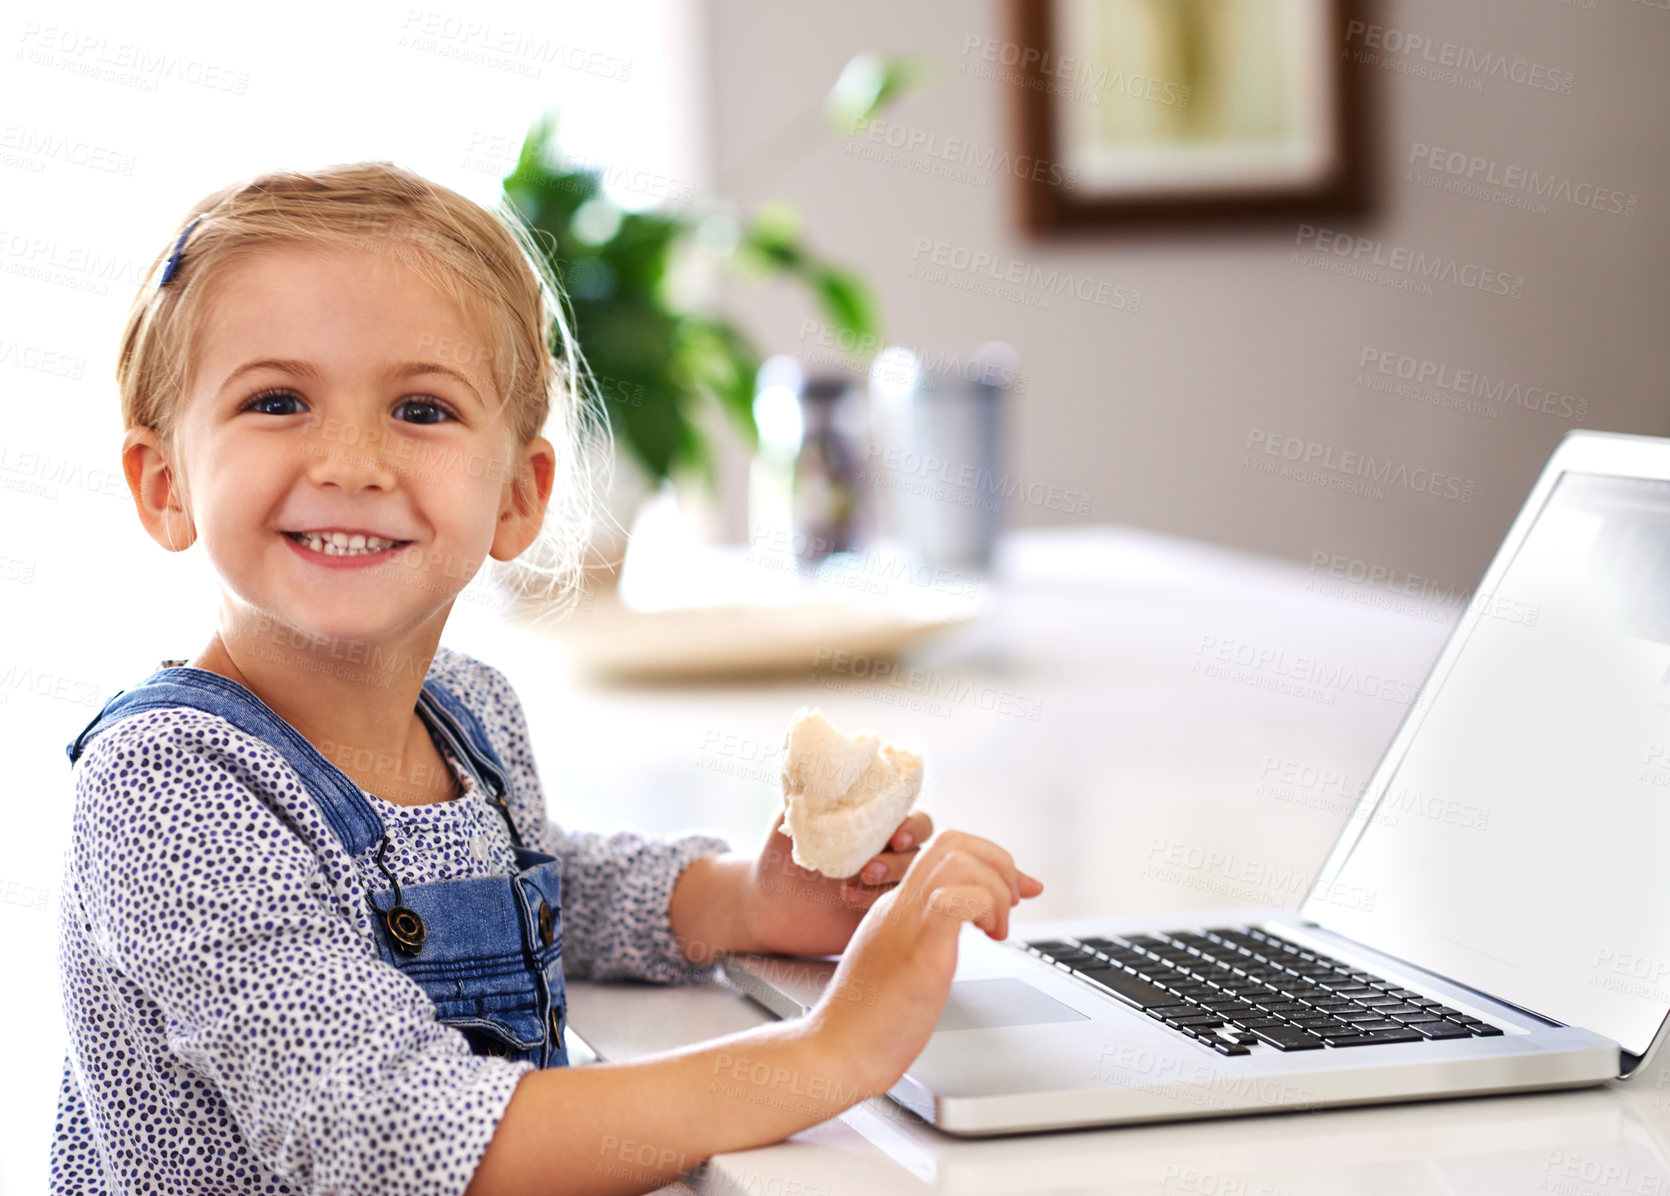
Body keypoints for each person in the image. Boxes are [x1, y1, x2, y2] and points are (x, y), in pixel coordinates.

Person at [52, 161, 1043, 1196]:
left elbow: (545, 882)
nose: (351, 460)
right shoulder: (167, 787)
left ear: (518, 495)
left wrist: (751, 900)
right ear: (164, 483)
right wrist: (831, 1053)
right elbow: (393, 1132)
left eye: (421, 409)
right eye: (279, 399)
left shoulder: (470, 713)